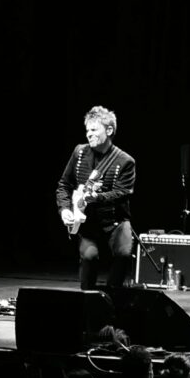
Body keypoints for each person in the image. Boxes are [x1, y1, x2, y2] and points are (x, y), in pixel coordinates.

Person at [56, 106, 136, 290]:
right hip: (88, 221)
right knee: (89, 257)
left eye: (94, 130)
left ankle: (113, 298)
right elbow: (64, 185)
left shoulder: (125, 160)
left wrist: (96, 197)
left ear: (109, 131)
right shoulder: (80, 152)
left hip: (115, 219)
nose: (88, 135)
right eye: (87, 130)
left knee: (124, 254)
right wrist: (65, 209)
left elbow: (122, 192)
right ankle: (87, 299)